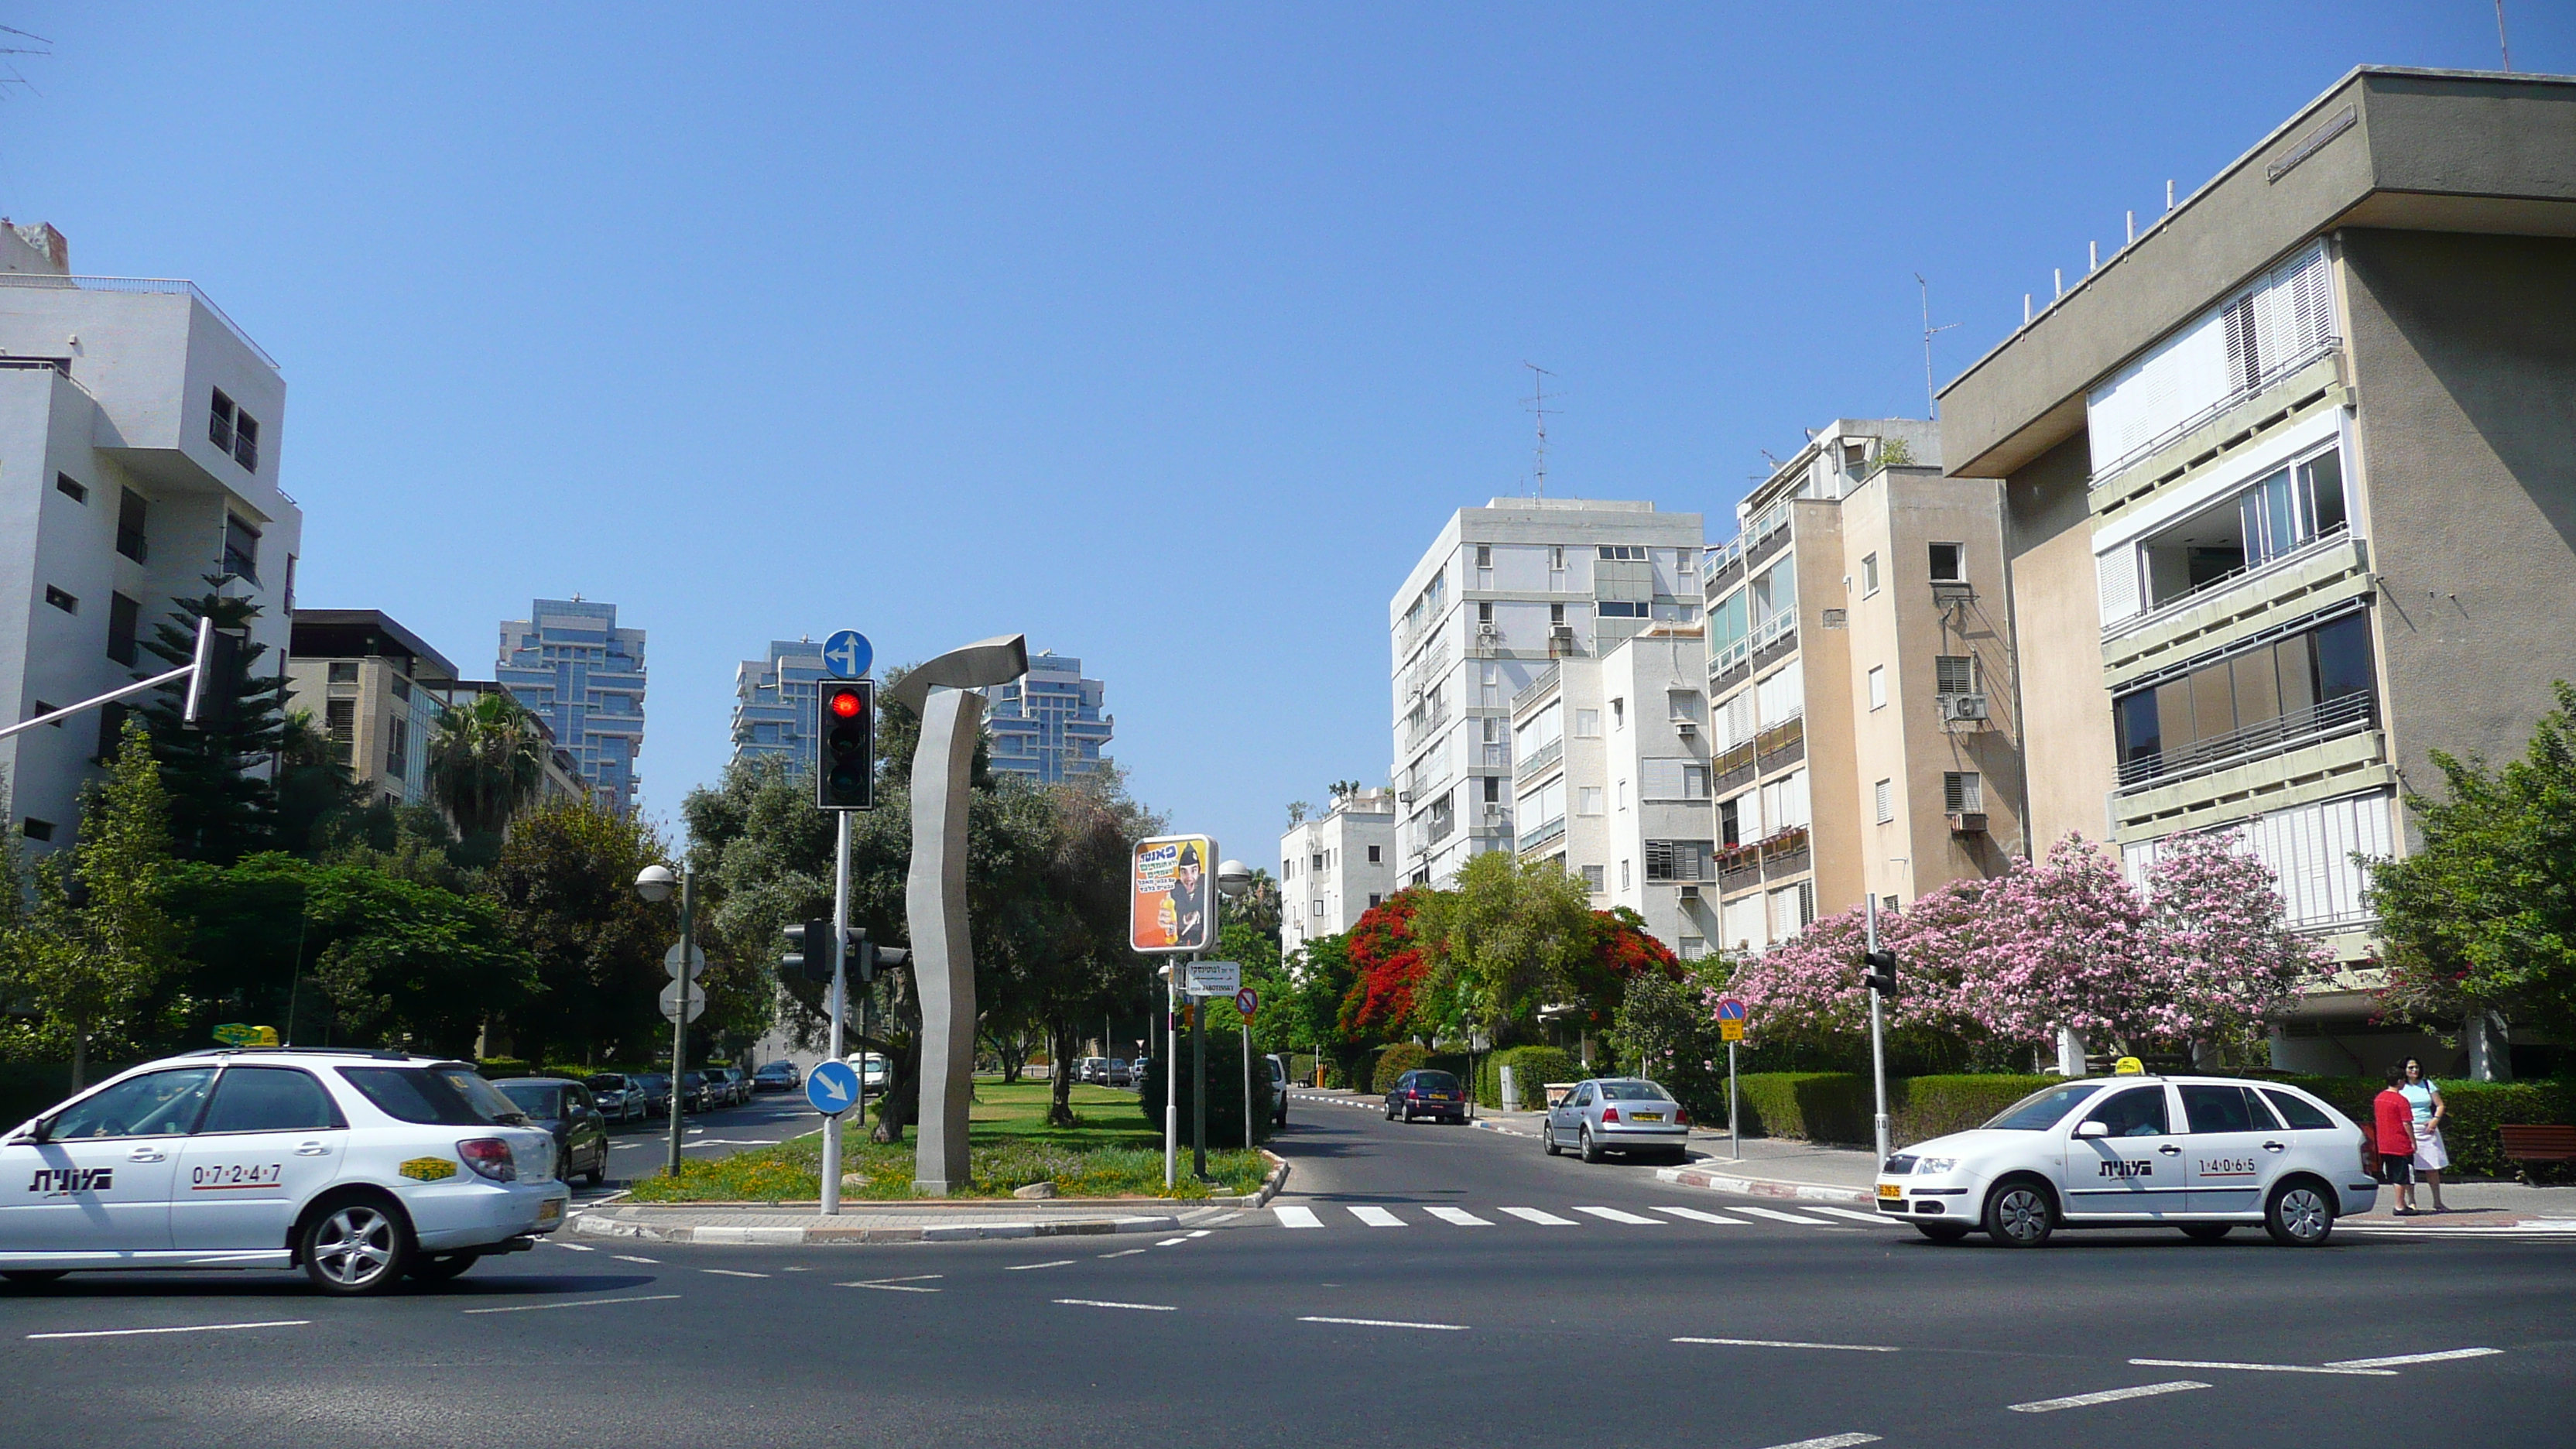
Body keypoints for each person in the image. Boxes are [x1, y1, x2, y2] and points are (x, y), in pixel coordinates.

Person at [2400, 1056, 2450, 1213]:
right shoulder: (2401, 1086)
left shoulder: (2427, 1084)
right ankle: (2412, 1201)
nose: (2414, 1070)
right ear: (2405, 1070)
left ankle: (2437, 1201)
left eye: (2416, 1067)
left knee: (2433, 1167)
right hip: (2409, 1128)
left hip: (2428, 1129)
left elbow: (2440, 1105)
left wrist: (2435, 1120)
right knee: (2410, 1167)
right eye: (2410, 1068)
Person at [2372, 1067, 2419, 1214]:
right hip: (2399, 1143)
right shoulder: (2401, 1100)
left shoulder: (2379, 1098)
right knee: (2402, 1176)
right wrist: (2413, 1141)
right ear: (2399, 1081)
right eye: (2404, 1080)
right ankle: (2400, 1205)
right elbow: (2406, 1123)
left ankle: (2402, 1202)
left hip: (2384, 1142)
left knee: (2393, 1174)